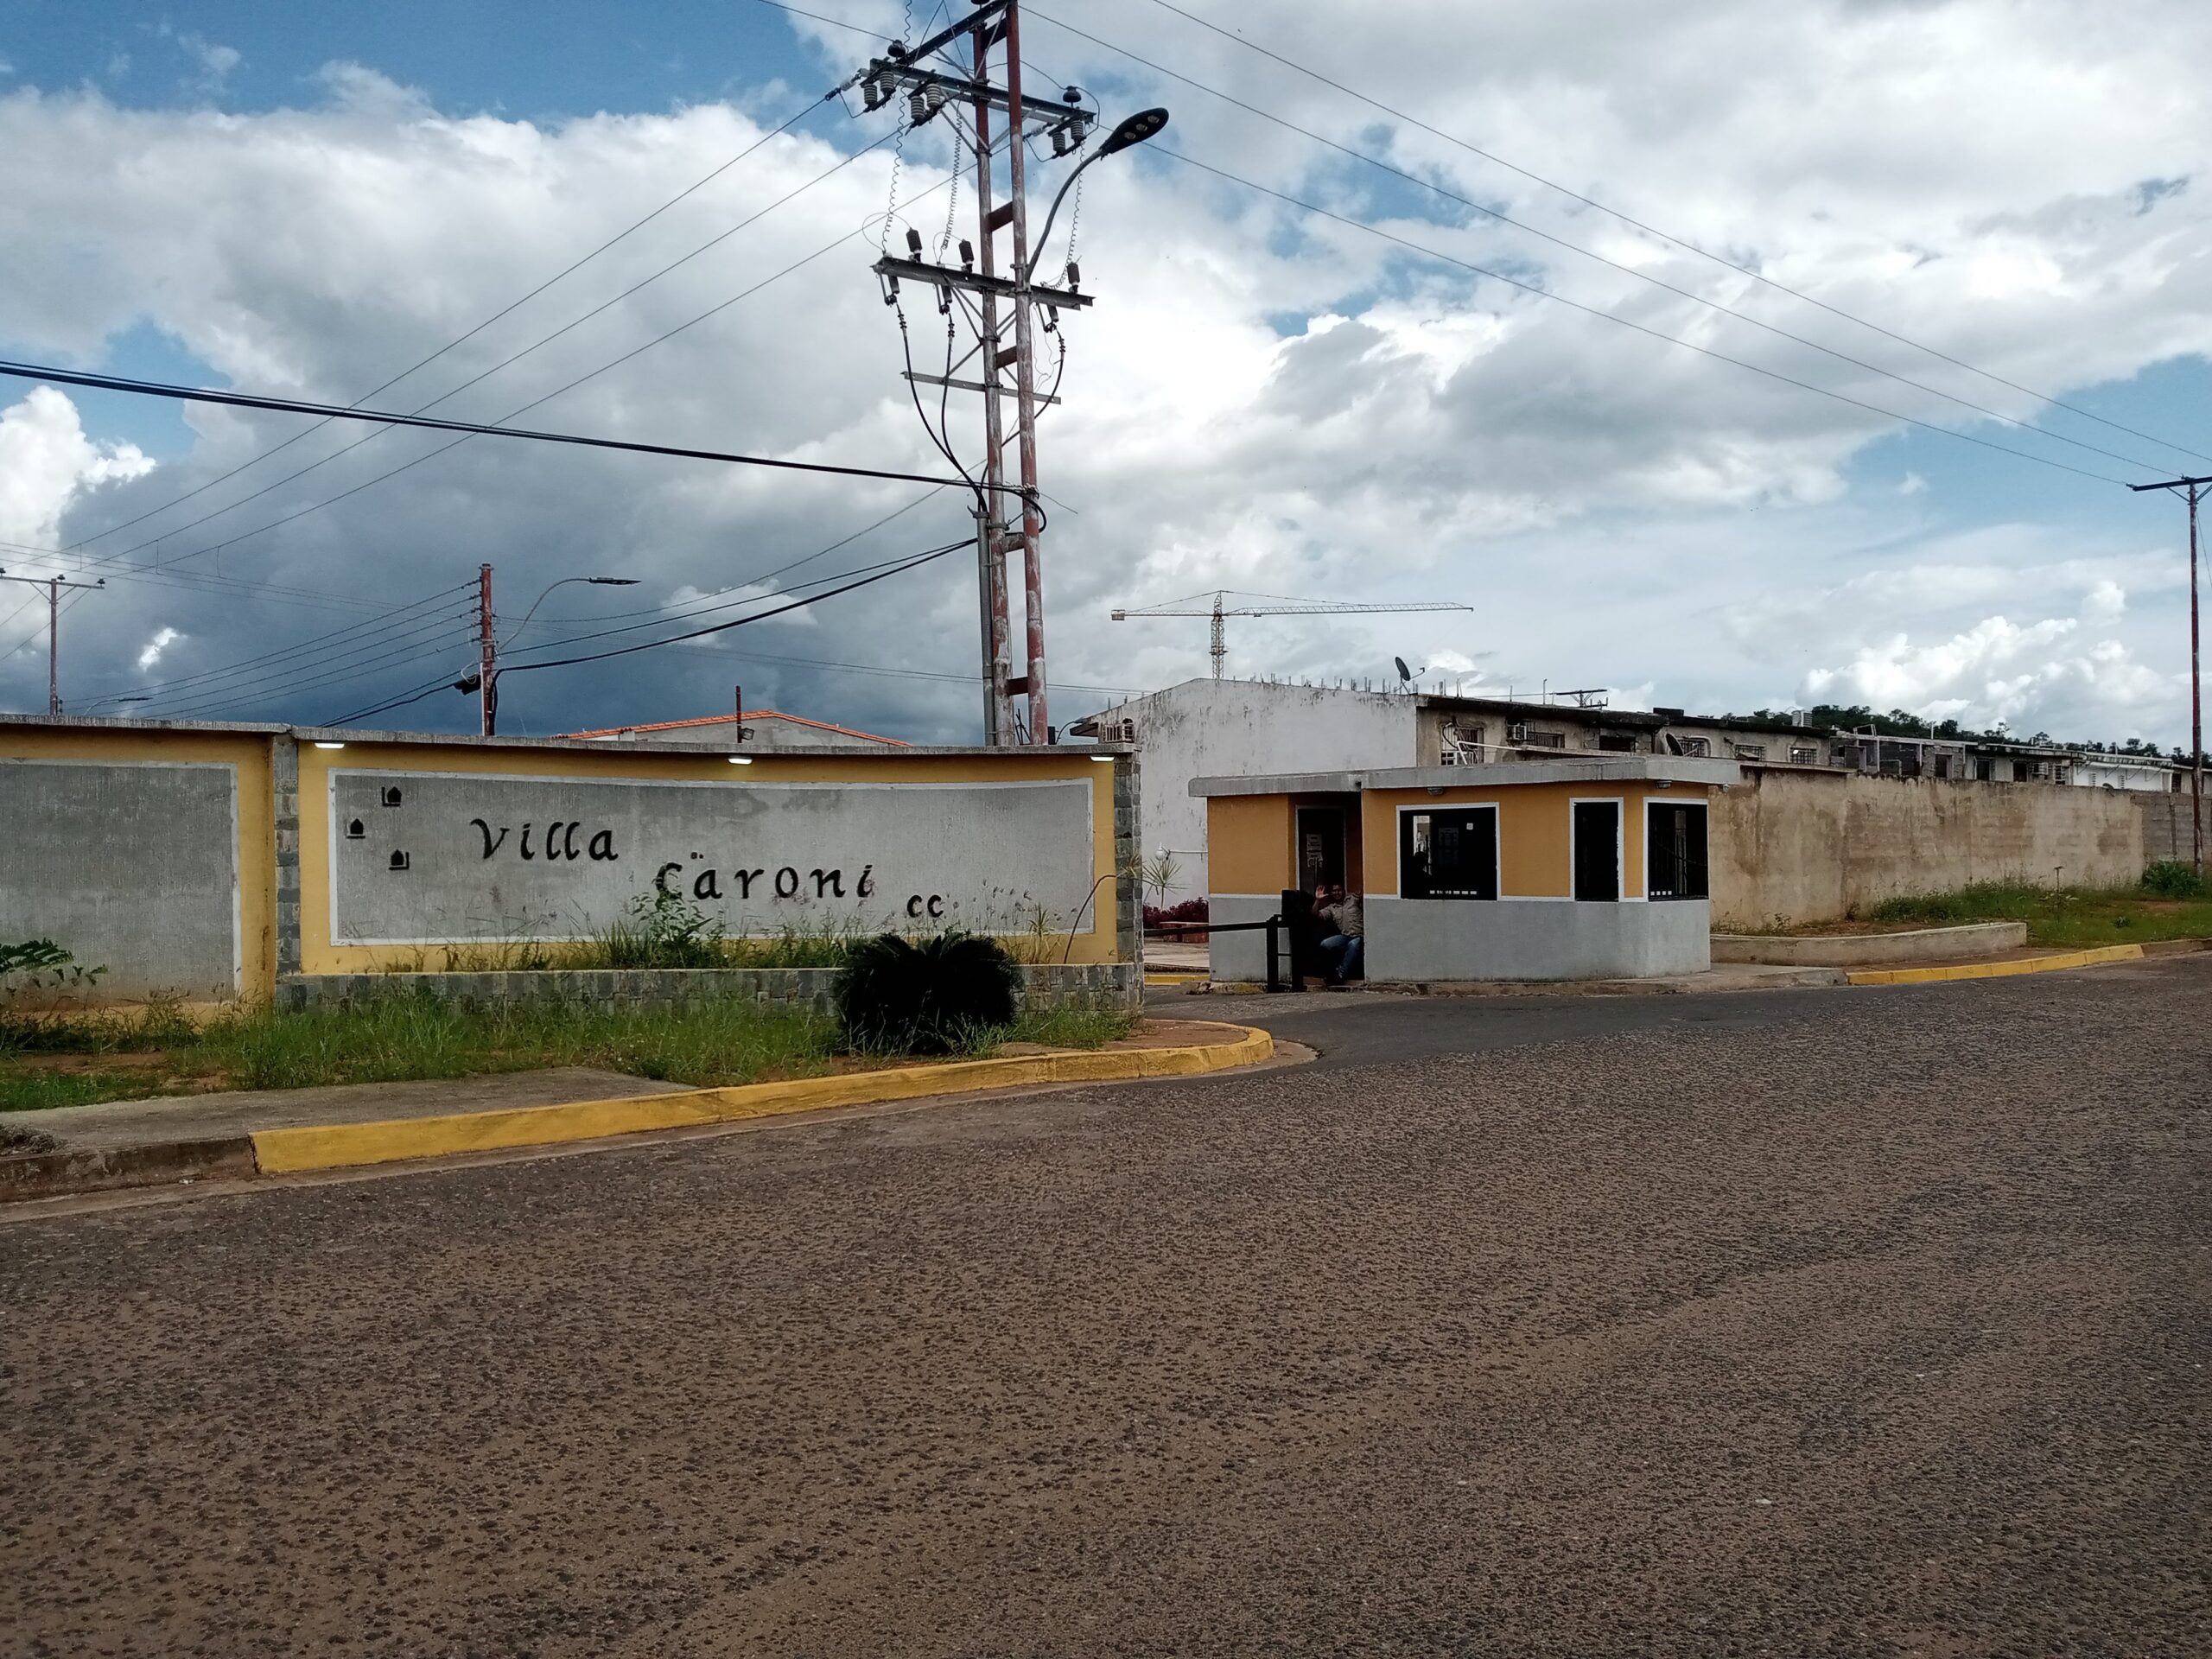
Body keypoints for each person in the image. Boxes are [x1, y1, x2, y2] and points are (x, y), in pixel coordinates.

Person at [1316, 882, 1364, 984]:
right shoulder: (1332, 908)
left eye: (1339, 890)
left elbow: (1362, 895)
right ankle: (1329, 971)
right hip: (1345, 936)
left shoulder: (1353, 899)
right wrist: (1318, 900)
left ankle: (1341, 974)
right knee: (1325, 944)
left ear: (1344, 891)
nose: (1337, 893)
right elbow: (1315, 914)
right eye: (1334, 891)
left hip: (1359, 936)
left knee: (1353, 945)